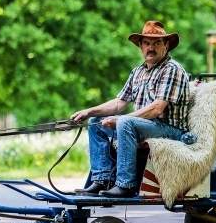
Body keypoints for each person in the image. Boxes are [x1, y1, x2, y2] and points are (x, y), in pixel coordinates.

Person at [71, 20, 190, 198]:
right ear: (140, 46)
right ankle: (101, 179)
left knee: (125, 122)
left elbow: (157, 109)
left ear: (166, 46)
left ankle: (125, 185)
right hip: (143, 126)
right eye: (147, 43)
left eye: (157, 43)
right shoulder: (138, 72)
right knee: (95, 122)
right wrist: (89, 111)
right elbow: (119, 102)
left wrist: (120, 120)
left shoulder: (172, 69)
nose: (151, 47)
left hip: (169, 129)